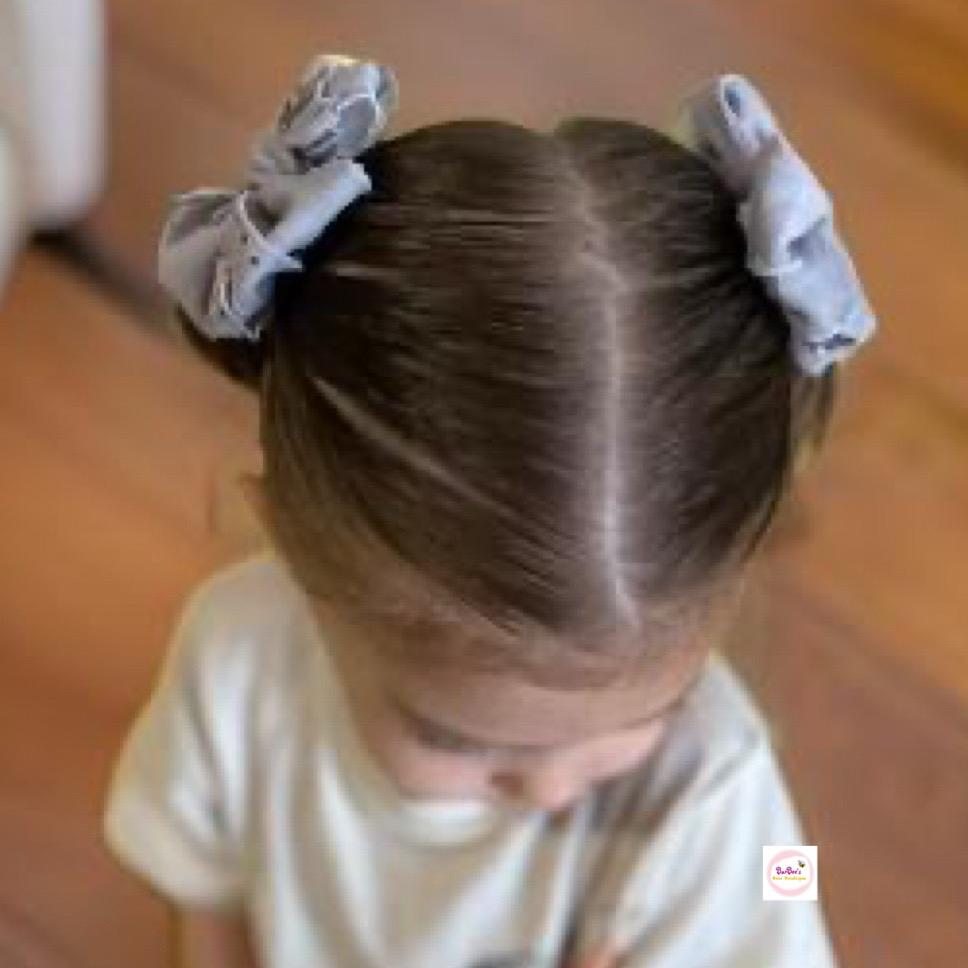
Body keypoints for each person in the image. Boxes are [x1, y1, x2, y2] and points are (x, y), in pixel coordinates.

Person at [102, 53, 876, 968]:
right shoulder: (233, 662)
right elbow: (204, 888)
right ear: (292, 551)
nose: (552, 792)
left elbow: (789, 899)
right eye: (453, 739)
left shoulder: (733, 802)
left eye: (644, 716)